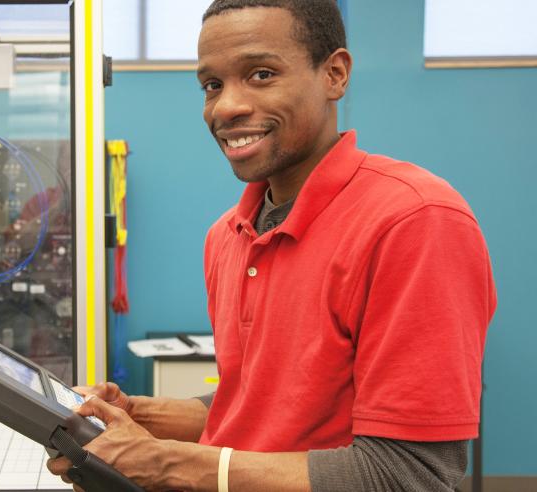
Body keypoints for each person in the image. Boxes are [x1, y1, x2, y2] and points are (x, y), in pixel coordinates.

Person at [47, 0, 496, 490]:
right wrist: (137, 415)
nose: (226, 106)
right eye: (211, 85)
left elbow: (408, 473)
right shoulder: (228, 235)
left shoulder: (413, 221)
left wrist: (165, 463)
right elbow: (255, 411)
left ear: (335, 75)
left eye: (261, 74)